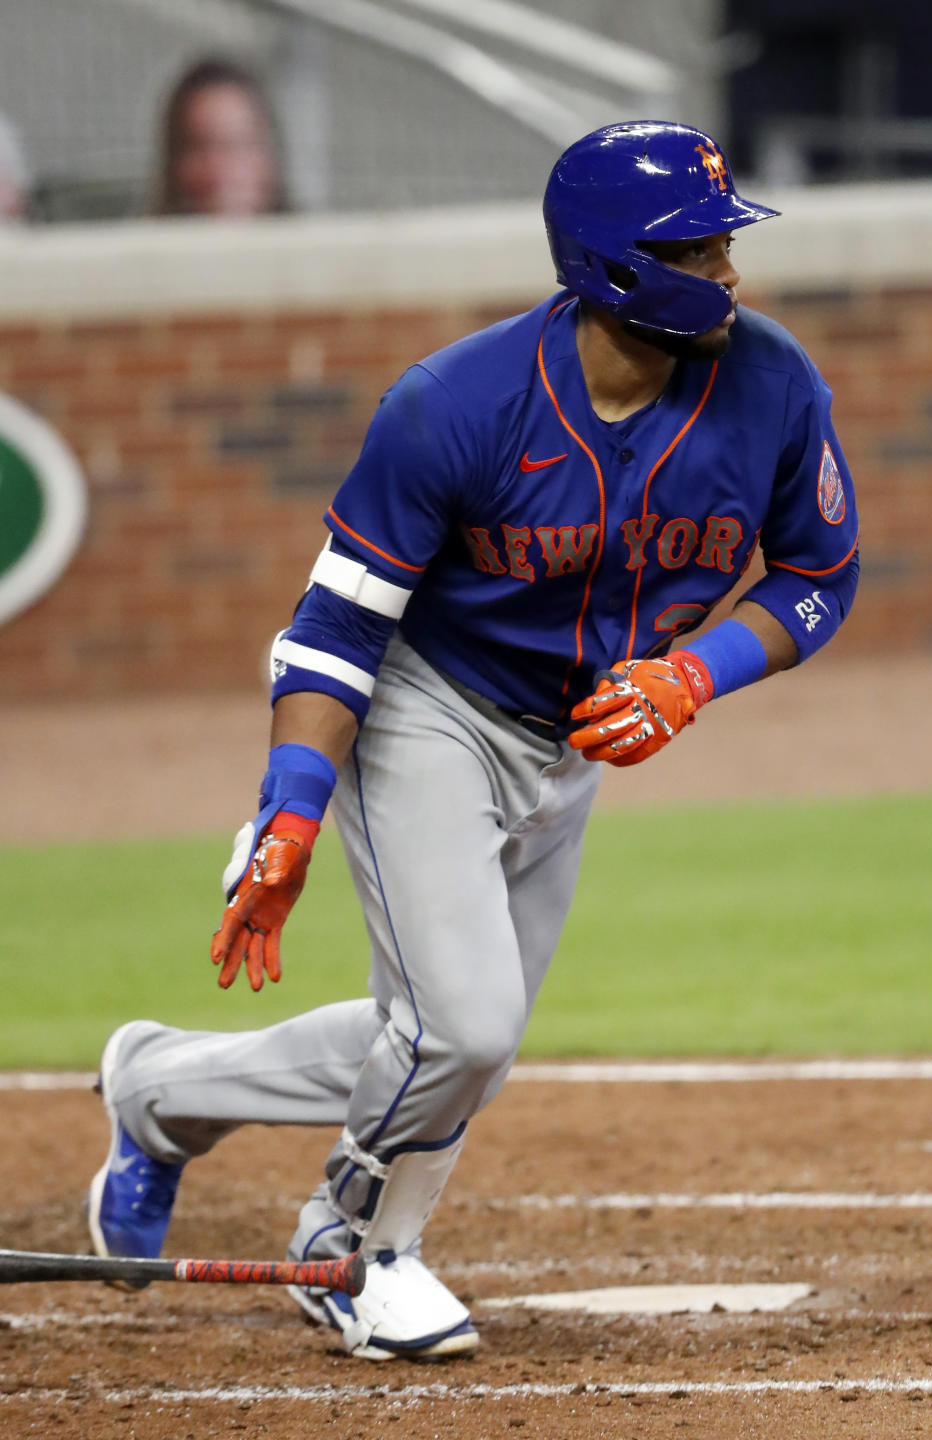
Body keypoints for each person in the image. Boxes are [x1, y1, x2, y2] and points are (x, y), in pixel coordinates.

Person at [87, 121, 859, 1361]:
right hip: (427, 708)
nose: (728, 270)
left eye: (725, 242)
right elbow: (335, 627)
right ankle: (345, 1251)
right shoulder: (457, 405)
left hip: (575, 742)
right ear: (611, 267)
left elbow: (823, 574)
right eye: (697, 246)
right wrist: (290, 805)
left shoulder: (772, 384)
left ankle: (159, 1092)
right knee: (470, 1028)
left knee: (449, 1039)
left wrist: (694, 674)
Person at [150, 57, 288, 217]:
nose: (217, 169)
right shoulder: (138, 239)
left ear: (269, 157)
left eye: (233, 146)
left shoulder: (315, 235)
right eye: (198, 148)